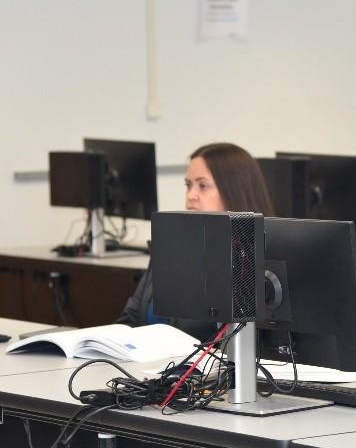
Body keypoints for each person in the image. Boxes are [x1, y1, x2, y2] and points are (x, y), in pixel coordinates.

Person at [116, 143, 274, 340]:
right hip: (147, 368)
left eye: (203, 185)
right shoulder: (170, 246)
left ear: (233, 190)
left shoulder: (251, 260)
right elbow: (130, 318)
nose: (191, 195)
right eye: (188, 185)